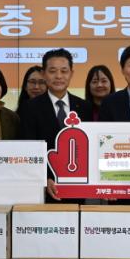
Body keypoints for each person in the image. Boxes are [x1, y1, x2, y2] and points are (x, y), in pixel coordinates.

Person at [20, 48, 93, 201]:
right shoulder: (30, 108)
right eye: (52, 71)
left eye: (64, 71)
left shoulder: (85, 107)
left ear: (71, 73)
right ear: (44, 74)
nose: (59, 76)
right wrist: (44, 178)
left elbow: (90, 148)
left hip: (78, 187)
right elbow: (29, 148)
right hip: (44, 190)